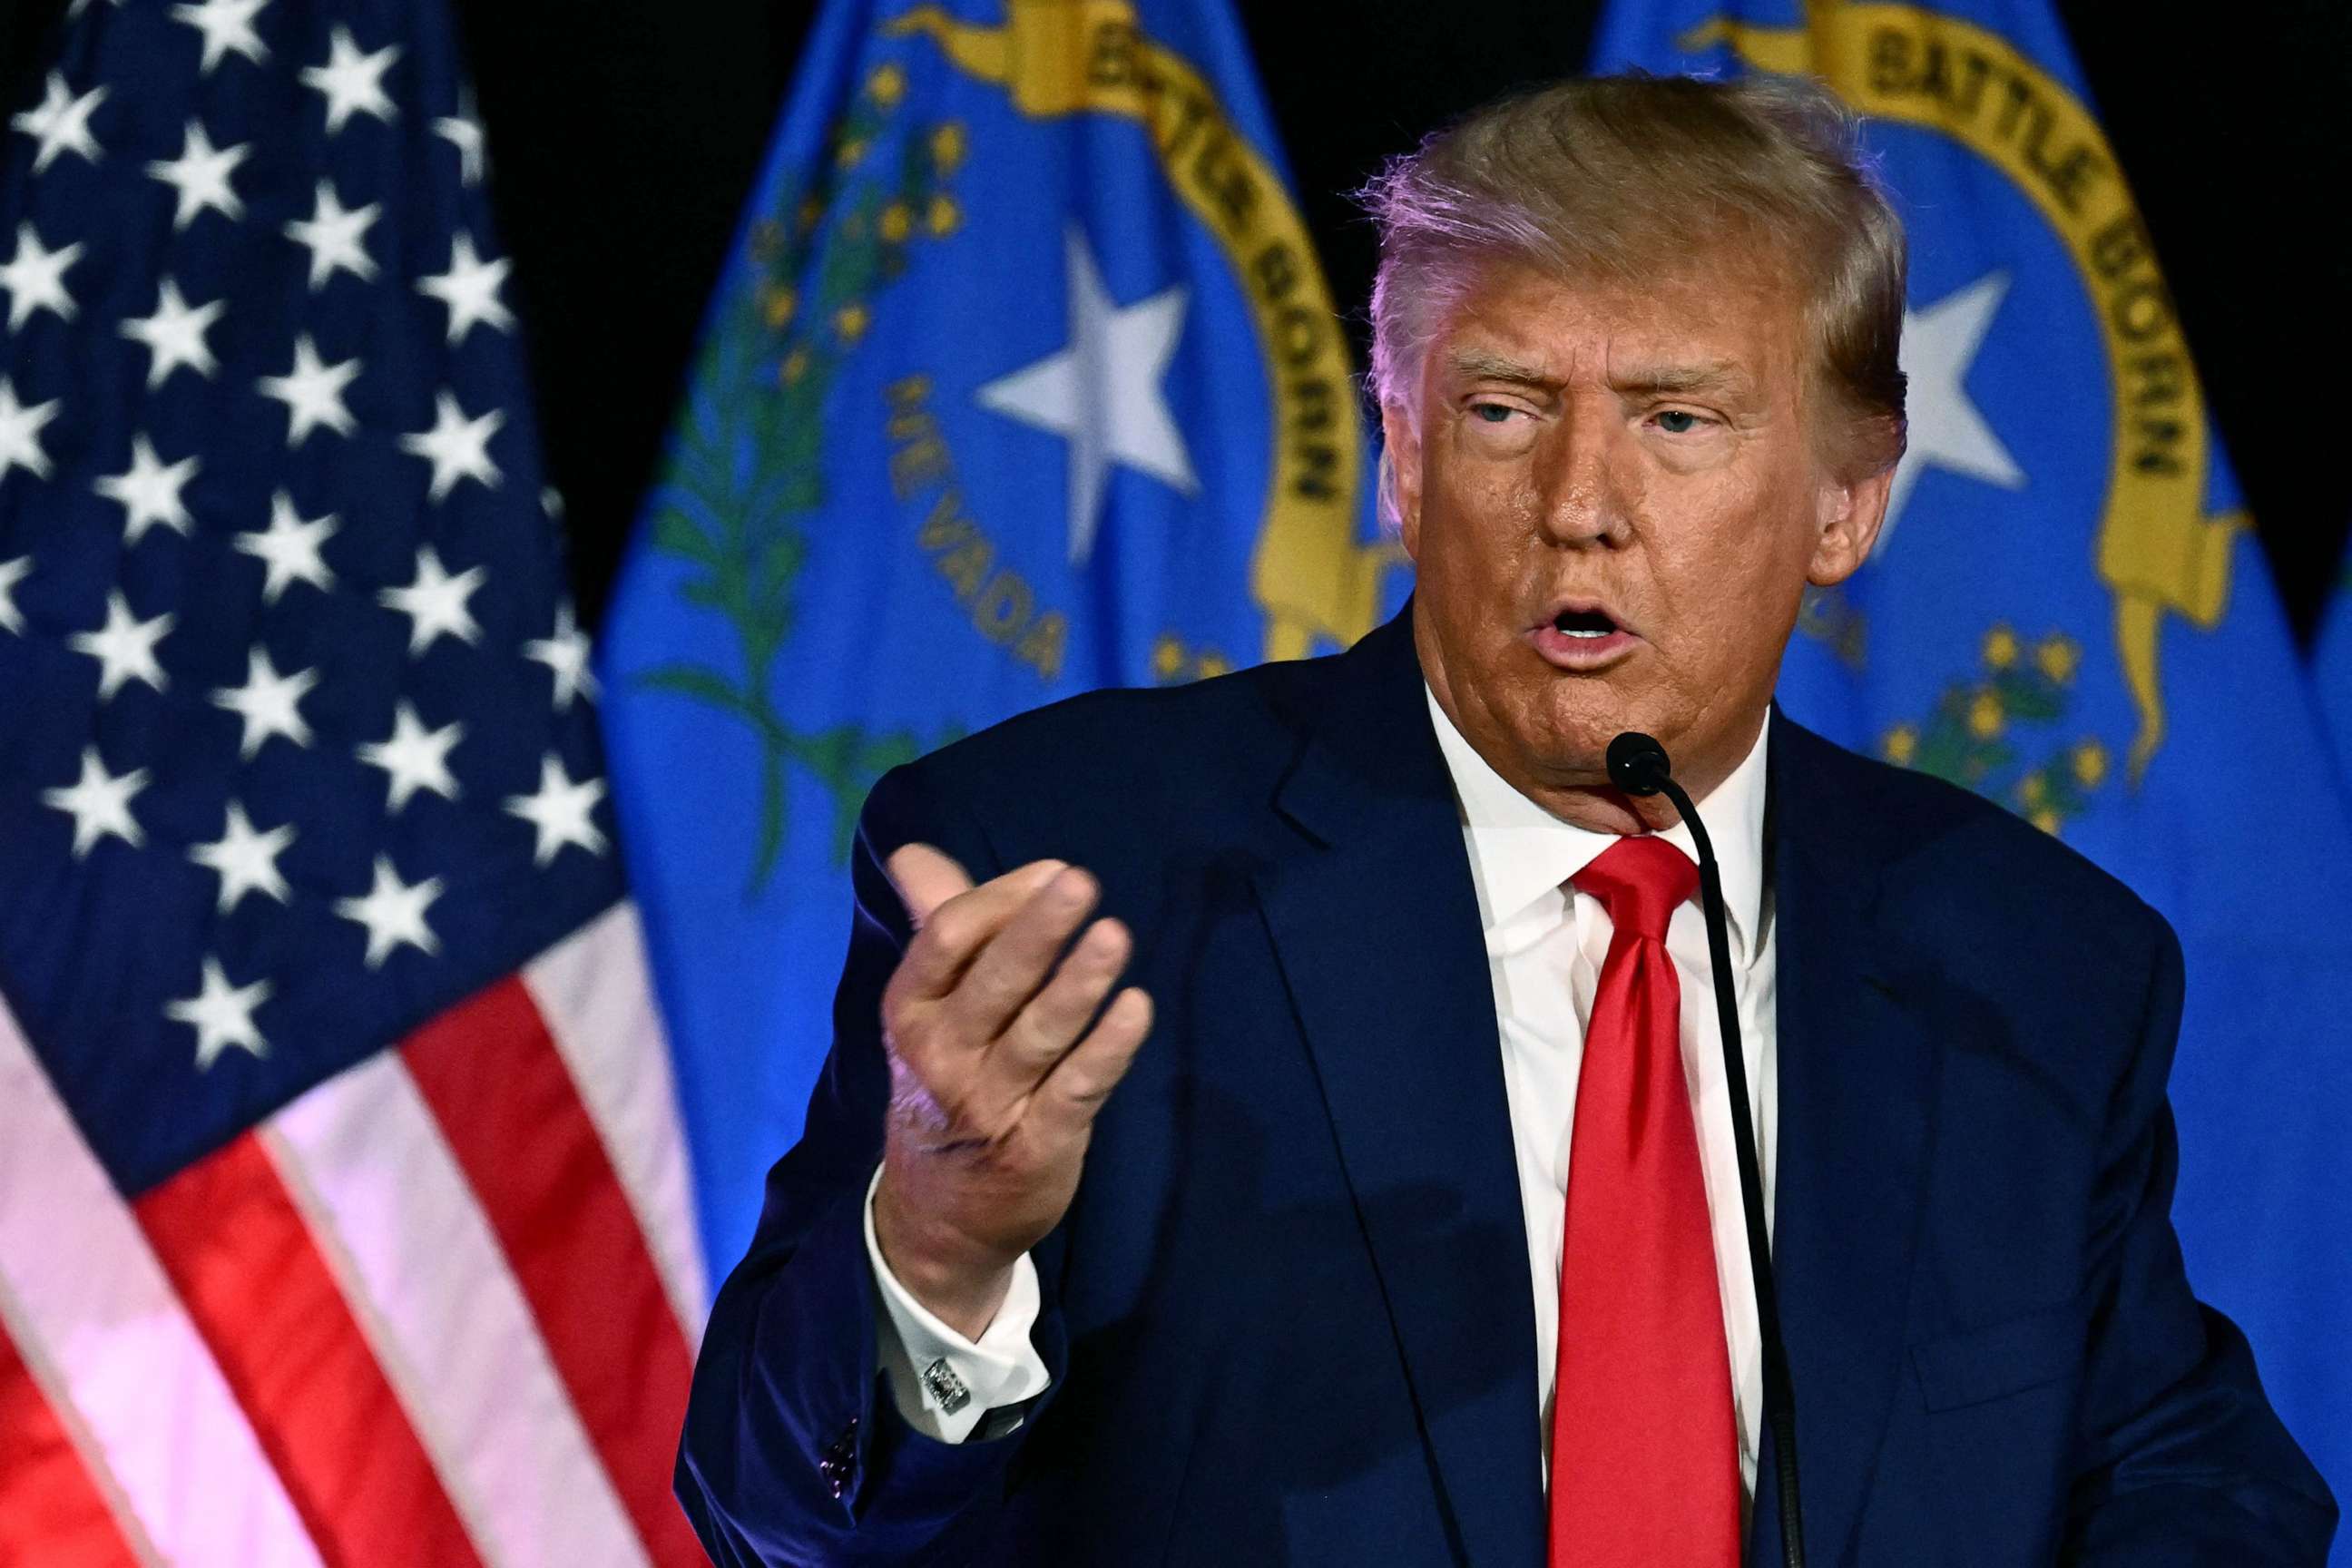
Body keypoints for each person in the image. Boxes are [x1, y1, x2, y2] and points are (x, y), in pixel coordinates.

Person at [674, 74, 2337, 1566]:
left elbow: (2184, 1471)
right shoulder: (1073, 869)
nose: (1580, 507)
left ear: (1847, 500)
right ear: (1398, 451)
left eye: (1678, 420)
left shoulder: (2031, 965)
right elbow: (763, 1506)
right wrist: (940, 1256)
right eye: (1502, 408)